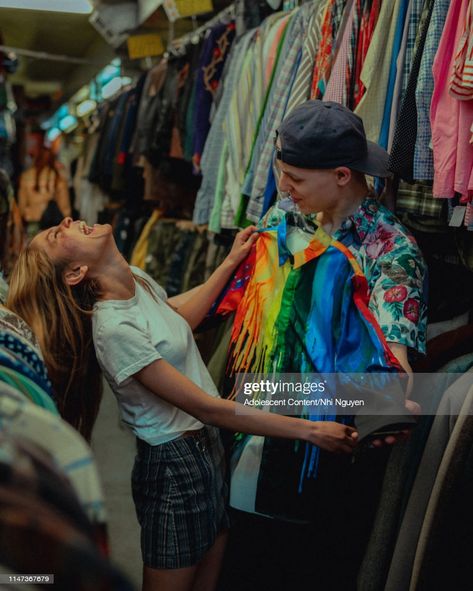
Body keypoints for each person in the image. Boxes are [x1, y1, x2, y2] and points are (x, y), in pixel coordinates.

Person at [6, 217, 359, 591]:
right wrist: (312, 430)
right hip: (174, 469)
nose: (67, 220)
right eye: (60, 235)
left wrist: (229, 262)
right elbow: (207, 408)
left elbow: (178, 323)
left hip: (207, 452)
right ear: (76, 272)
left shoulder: (136, 280)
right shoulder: (113, 329)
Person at [217, 101, 427, 591]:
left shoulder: (390, 251)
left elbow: (391, 371)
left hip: (320, 458)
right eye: (280, 172)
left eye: (295, 178)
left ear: (340, 174)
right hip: (249, 438)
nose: (282, 188)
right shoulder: (284, 217)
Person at [18, 145, 71, 239]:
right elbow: (64, 205)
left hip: (32, 221)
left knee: (33, 251)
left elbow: (22, 204)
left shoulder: (25, 176)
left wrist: (22, 217)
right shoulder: (58, 177)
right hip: (51, 224)